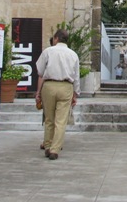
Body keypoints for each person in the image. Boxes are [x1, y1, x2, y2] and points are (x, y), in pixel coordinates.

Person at [35, 29, 80, 160]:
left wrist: (38, 92)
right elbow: (76, 76)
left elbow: (40, 71)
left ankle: (48, 146)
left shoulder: (48, 51)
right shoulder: (73, 54)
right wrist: (75, 94)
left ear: (56, 38)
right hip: (66, 86)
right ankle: (55, 149)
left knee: (49, 118)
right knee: (61, 120)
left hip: (49, 85)